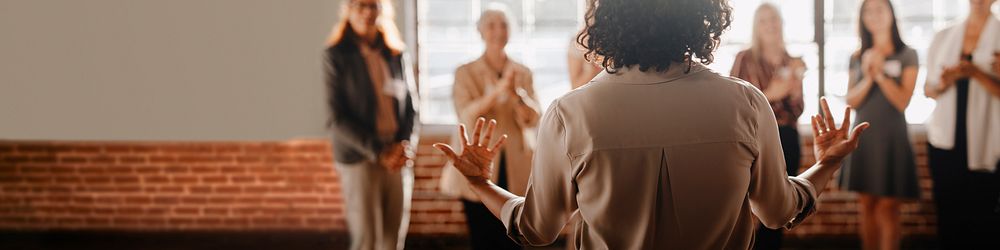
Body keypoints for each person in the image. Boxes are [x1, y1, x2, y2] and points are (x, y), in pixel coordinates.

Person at [433, 0, 870, 248]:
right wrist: (827, 163)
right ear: (700, 19)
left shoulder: (571, 114)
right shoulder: (746, 103)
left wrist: (479, 182)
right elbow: (778, 212)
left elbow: (535, 228)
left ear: (605, 22)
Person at [438, 8, 541, 250]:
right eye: (492, 25)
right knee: (482, 237)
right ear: (480, 31)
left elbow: (535, 118)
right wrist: (496, 93)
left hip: (516, 163)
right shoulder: (465, 72)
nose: (498, 31)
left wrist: (518, 96)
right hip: (477, 159)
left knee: (514, 235)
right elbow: (466, 114)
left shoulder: (523, 72)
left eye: (504, 24)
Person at [322, 0, 419, 249]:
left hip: (397, 156)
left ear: (382, 10)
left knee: (393, 239)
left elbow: (411, 107)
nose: (367, 12)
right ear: (348, 9)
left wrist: (403, 146)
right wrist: (380, 151)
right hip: (360, 157)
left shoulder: (396, 53)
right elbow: (337, 119)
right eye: (361, 5)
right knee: (366, 240)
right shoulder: (336, 55)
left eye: (373, 5)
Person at [837, 1, 921, 249]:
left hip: (892, 137)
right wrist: (869, 74)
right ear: (862, 18)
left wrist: (881, 72)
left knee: (888, 207)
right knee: (867, 204)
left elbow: (903, 101)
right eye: (868, 11)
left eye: (879, 9)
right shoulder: (856, 56)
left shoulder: (907, 53)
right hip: (864, 137)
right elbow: (851, 99)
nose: (874, 15)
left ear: (891, 14)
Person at [923, 0, 1000, 248]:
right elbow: (929, 90)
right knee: (948, 215)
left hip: (988, 141)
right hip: (946, 141)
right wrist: (945, 82)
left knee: (984, 217)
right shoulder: (944, 36)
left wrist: (976, 73)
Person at [729, 4, 805, 248]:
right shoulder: (745, 59)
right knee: (745, 207)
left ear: (782, 23)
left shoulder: (793, 62)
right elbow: (733, 104)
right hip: (752, 137)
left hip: (787, 138)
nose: (770, 25)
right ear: (756, 27)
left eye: (774, 19)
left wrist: (793, 92)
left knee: (780, 210)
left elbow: (798, 109)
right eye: (764, 21)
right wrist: (771, 94)